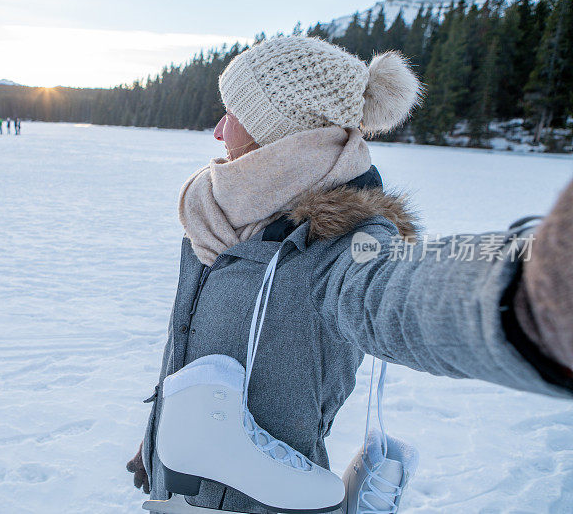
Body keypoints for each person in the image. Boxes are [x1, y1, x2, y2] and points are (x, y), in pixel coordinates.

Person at [127, 36, 573, 513]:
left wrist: (533, 298)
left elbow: (393, 293)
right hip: (176, 488)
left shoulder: (341, 242)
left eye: (234, 112)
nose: (218, 131)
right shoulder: (221, 216)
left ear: (280, 131)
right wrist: (159, 433)